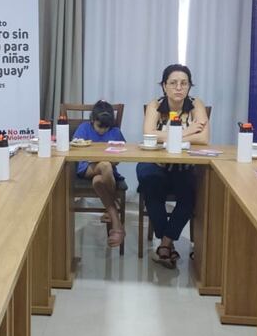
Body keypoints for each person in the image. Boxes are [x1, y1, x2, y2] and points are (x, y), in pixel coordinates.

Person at [136, 64, 210, 269]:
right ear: (164, 86)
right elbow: (148, 135)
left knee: (189, 195)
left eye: (184, 83)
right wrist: (187, 131)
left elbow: (203, 138)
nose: (179, 87)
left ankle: (165, 244)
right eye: (173, 83)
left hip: (184, 166)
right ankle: (167, 243)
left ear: (189, 86)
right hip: (155, 163)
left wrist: (167, 136)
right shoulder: (155, 105)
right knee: (151, 186)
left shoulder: (196, 104)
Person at [71, 100, 127, 247]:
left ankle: (116, 222)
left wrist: (112, 159)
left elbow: (121, 156)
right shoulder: (84, 128)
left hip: (106, 173)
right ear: (92, 120)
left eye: (106, 127)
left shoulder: (115, 132)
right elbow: (74, 148)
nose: (102, 130)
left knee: (98, 180)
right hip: (86, 168)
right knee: (105, 165)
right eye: (99, 126)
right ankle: (114, 202)